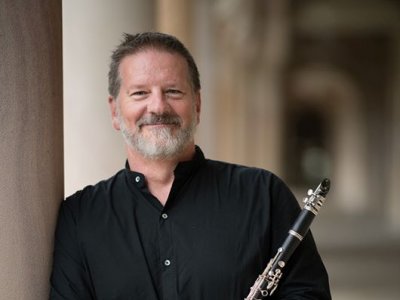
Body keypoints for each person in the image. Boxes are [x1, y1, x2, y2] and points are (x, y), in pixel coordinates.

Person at [50, 32, 331, 299]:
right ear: (114, 111)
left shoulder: (264, 194)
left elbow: (309, 294)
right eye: (140, 93)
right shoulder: (80, 217)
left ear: (197, 104)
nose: (158, 106)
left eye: (173, 91)